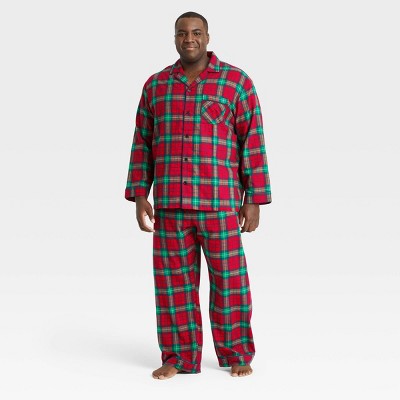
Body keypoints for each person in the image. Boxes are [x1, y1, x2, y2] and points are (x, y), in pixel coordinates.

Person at [125, 11, 272, 379]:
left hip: (219, 204)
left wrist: (253, 198)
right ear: (174, 38)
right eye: (182, 33)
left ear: (207, 37)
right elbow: (142, 142)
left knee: (230, 282)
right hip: (170, 206)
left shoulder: (236, 82)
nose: (188, 39)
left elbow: (252, 140)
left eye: (195, 32)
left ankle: (236, 352)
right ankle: (178, 357)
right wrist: (140, 194)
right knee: (173, 286)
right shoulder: (156, 85)